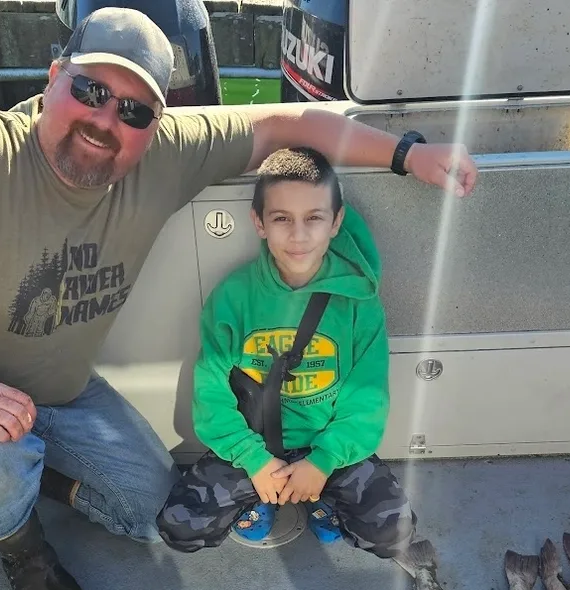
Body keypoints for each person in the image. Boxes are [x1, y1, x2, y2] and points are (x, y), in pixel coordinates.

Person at [0, 6, 476, 590]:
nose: (109, 121)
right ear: (54, 76)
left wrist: (409, 154)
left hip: (60, 393)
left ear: (158, 124)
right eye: (92, 90)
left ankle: (15, 473)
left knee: (152, 514)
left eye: (137, 111)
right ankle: (19, 547)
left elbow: (290, 125)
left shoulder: (163, 156)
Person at [157, 146, 413, 557]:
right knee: (181, 530)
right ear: (259, 222)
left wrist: (324, 461)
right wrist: (254, 461)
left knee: (393, 534)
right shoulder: (233, 298)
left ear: (336, 222)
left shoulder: (359, 303)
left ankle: (320, 497)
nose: (298, 235)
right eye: (282, 219)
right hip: (254, 445)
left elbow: (367, 397)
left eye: (314, 217)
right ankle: (261, 495)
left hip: (326, 446)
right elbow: (211, 392)